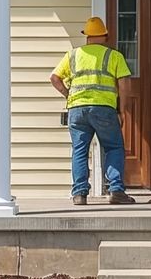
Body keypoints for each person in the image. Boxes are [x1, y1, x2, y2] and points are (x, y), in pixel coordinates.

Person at [50, 17, 135, 205]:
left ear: (87, 36)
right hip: (104, 109)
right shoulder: (114, 56)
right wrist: (122, 110)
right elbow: (124, 85)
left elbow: (54, 78)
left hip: (77, 109)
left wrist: (68, 96)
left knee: (79, 151)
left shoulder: (72, 55)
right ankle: (116, 191)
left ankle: (79, 194)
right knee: (113, 147)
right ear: (104, 35)